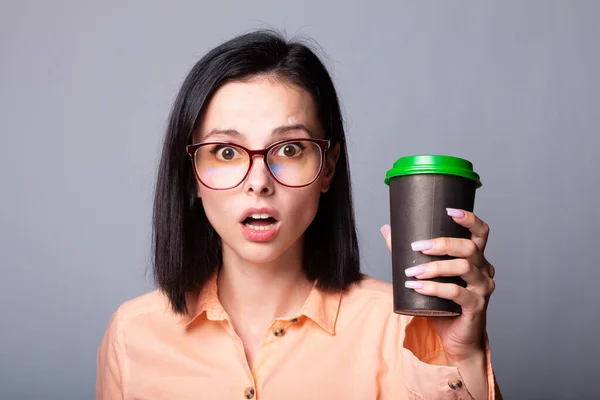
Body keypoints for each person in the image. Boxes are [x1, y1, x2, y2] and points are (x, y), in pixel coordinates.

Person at [96, 30, 501, 399]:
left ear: (327, 167)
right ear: (192, 175)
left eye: (290, 150)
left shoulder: (400, 328)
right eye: (226, 151)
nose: (258, 181)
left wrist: (461, 354)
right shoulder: (132, 334)